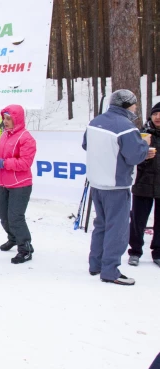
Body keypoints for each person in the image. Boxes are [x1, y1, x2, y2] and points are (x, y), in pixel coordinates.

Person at [83, 89, 150, 286]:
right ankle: (110, 270)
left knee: (101, 225)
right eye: (135, 105)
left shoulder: (95, 122)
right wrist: (145, 145)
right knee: (117, 228)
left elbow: (86, 145)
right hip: (116, 185)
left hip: (97, 183)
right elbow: (135, 156)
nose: (136, 108)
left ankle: (95, 264)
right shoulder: (126, 127)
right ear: (128, 105)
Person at [0, 104, 37, 264]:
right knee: (2, 214)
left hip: (20, 184)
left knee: (15, 217)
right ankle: (13, 238)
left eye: (9, 118)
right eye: (5, 118)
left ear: (17, 119)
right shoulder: (4, 135)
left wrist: (3, 164)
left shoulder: (26, 138)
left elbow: (25, 163)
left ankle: (25, 247)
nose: (6, 121)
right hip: (3, 183)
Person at [128, 102, 160, 267]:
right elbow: (131, 156)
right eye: (155, 113)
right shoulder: (142, 134)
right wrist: (143, 155)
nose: (158, 117)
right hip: (143, 184)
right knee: (137, 220)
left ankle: (158, 252)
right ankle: (135, 251)